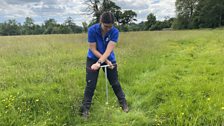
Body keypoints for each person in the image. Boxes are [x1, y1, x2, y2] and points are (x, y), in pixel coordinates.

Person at [80, 12, 128, 118]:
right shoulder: (92, 30)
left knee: (115, 82)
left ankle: (123, 104)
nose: (108, 29)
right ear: (101, 22)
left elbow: (108, 50)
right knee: (90, 85)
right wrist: (101, 62)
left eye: (110, 26)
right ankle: (85, 110)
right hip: (93, 58)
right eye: (106, 26)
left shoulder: (115, 32)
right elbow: (92, 49)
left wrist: (103, 61)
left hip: (108, 57)